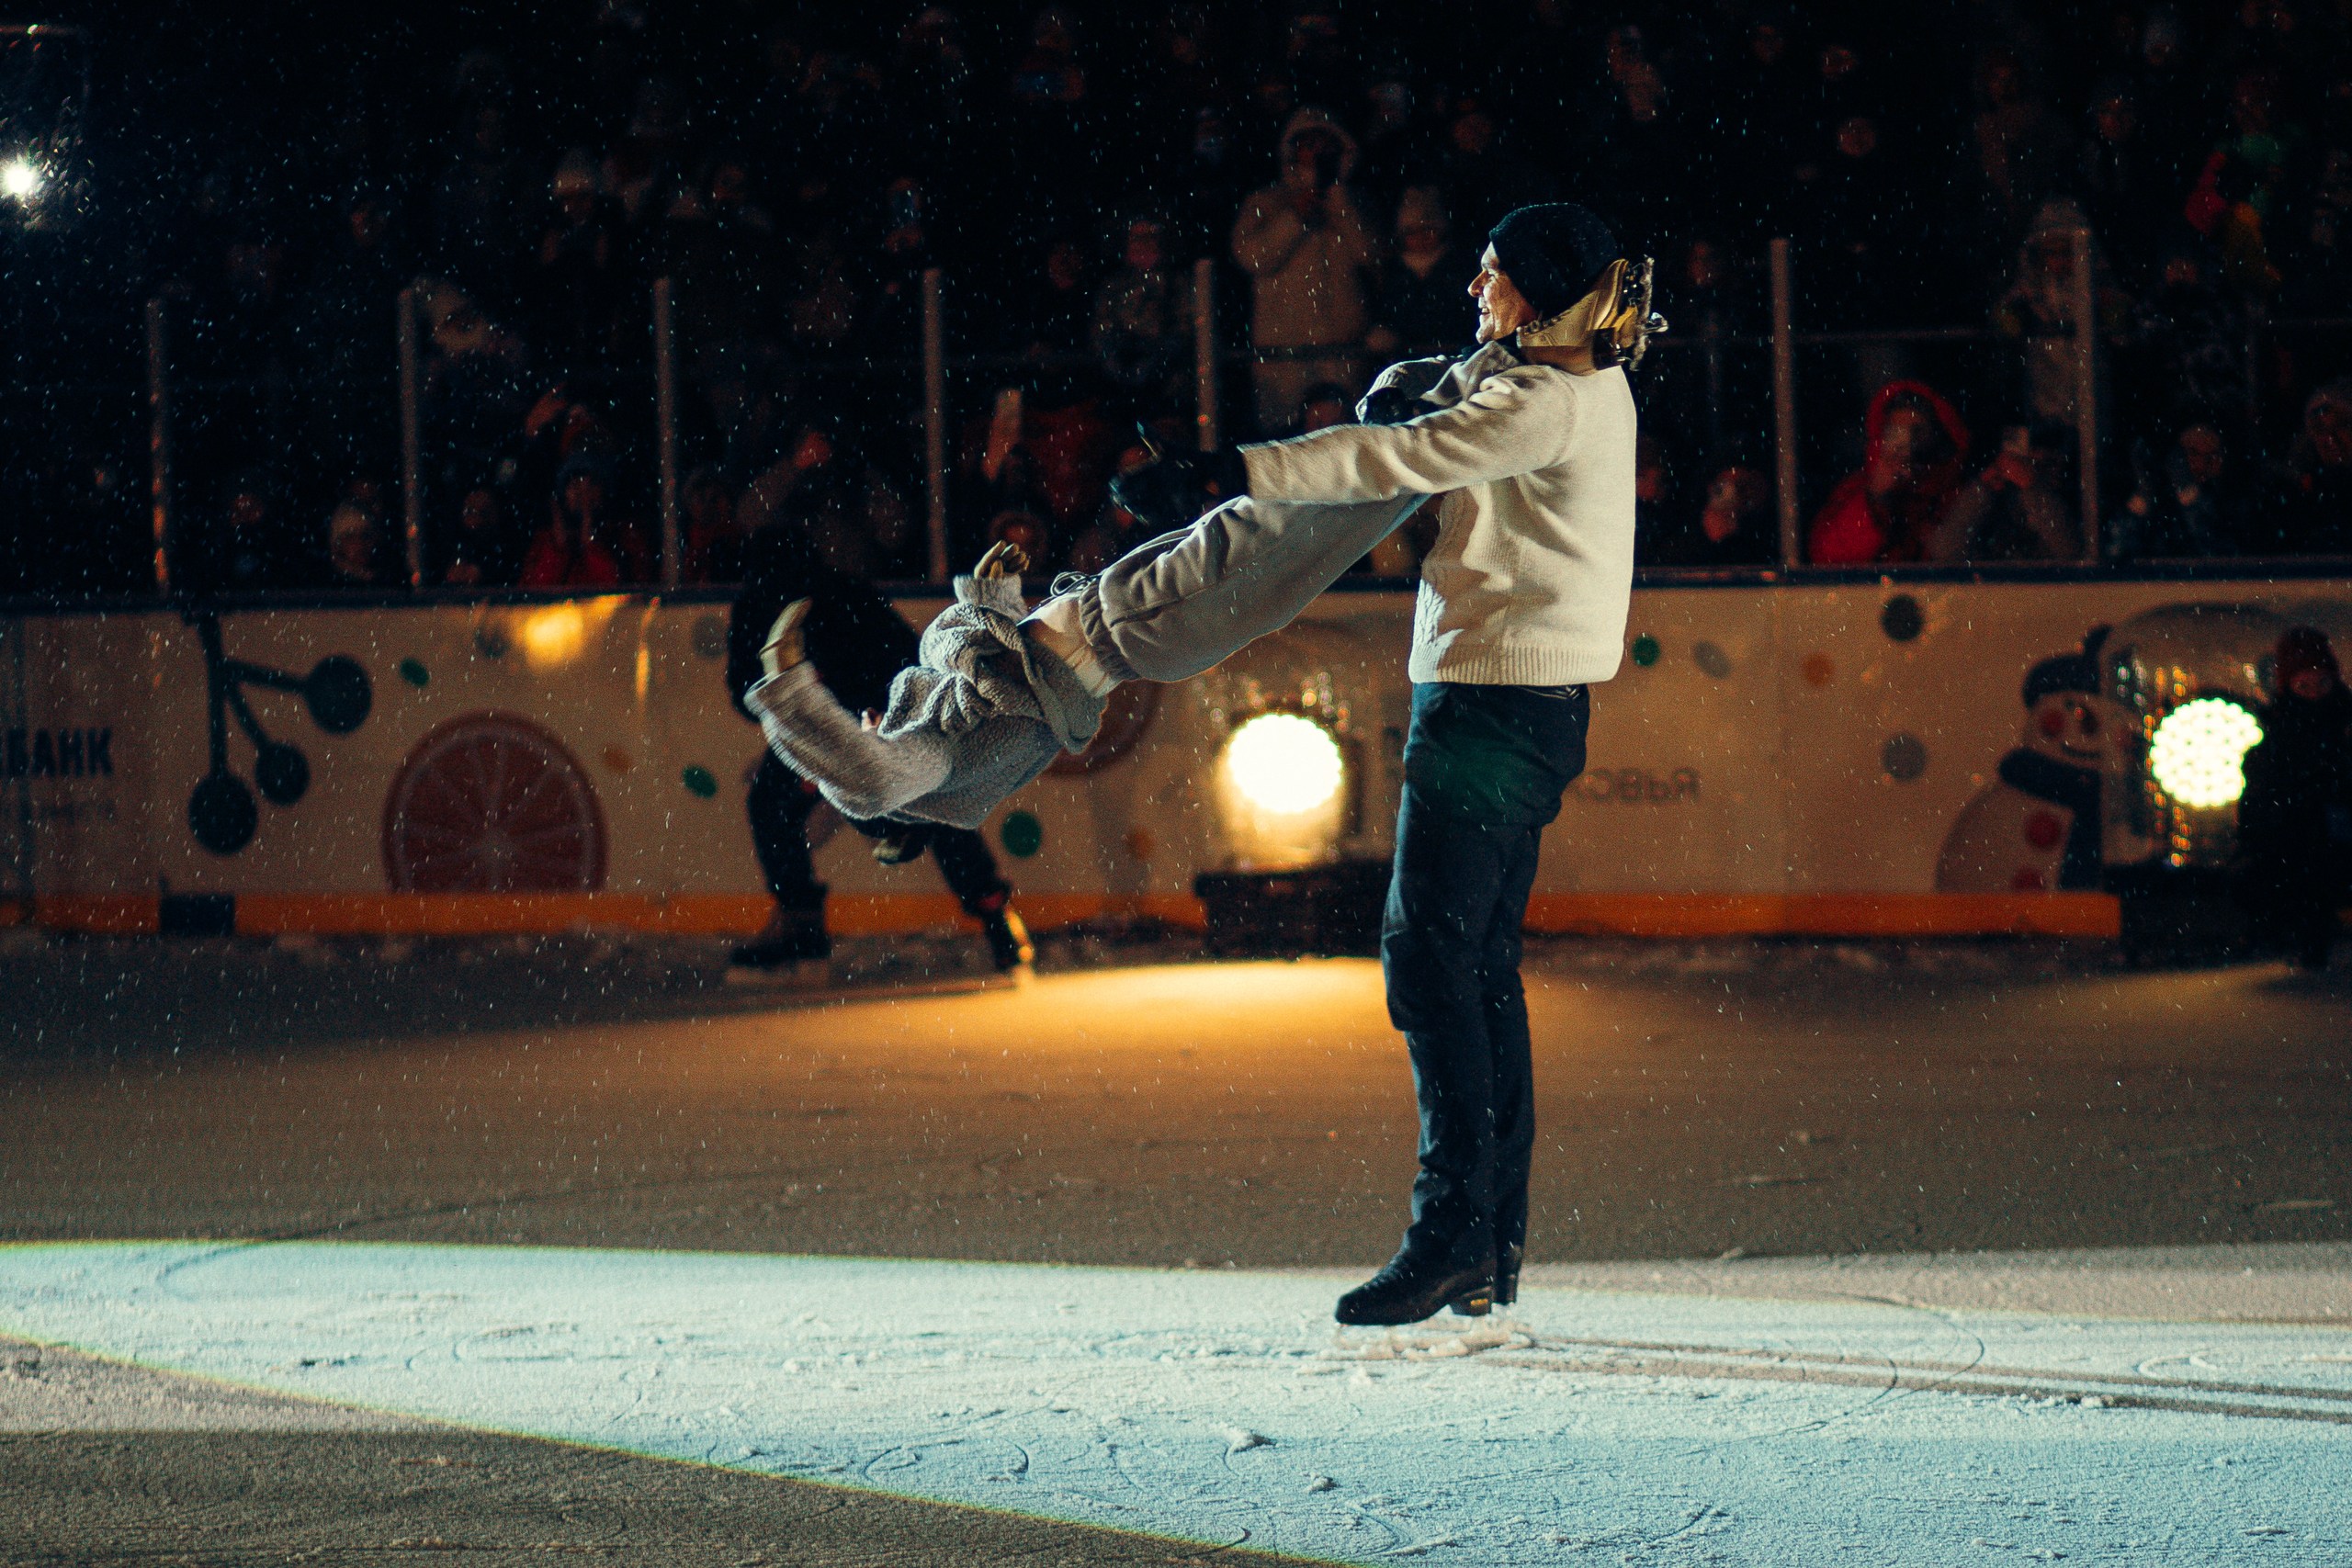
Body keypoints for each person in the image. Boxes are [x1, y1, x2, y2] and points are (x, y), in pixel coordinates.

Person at [744, 204, 1651, 1329]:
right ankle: (1485, 1243)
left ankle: (1453, 1237)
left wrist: (1227, 468)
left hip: (1491, 705)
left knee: (1432, 965)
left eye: (1493, 274)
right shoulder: (1564, 382)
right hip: (1518, 698)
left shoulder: (1539, 400)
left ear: (1543, 291)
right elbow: (1416, 420)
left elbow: (1392, 451)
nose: (1474, 288)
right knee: (1472, 971)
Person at [727, 520, 1034, 975]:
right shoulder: (776, 602)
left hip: (882, 720)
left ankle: (993, 912)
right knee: (774, 802)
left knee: (932, 798)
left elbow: (906, 659)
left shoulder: (836, 597)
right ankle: (800, 921)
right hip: (819, 732)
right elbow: (745, 688)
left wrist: (873, 718)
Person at [2237, 628, 2352, 971]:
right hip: (2303, 828)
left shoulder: (2342, 720)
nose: (2315, 695)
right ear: (2289, 686)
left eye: (2322, 685)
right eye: (2305, 686)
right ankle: (2296, 932)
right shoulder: (2281, 725)